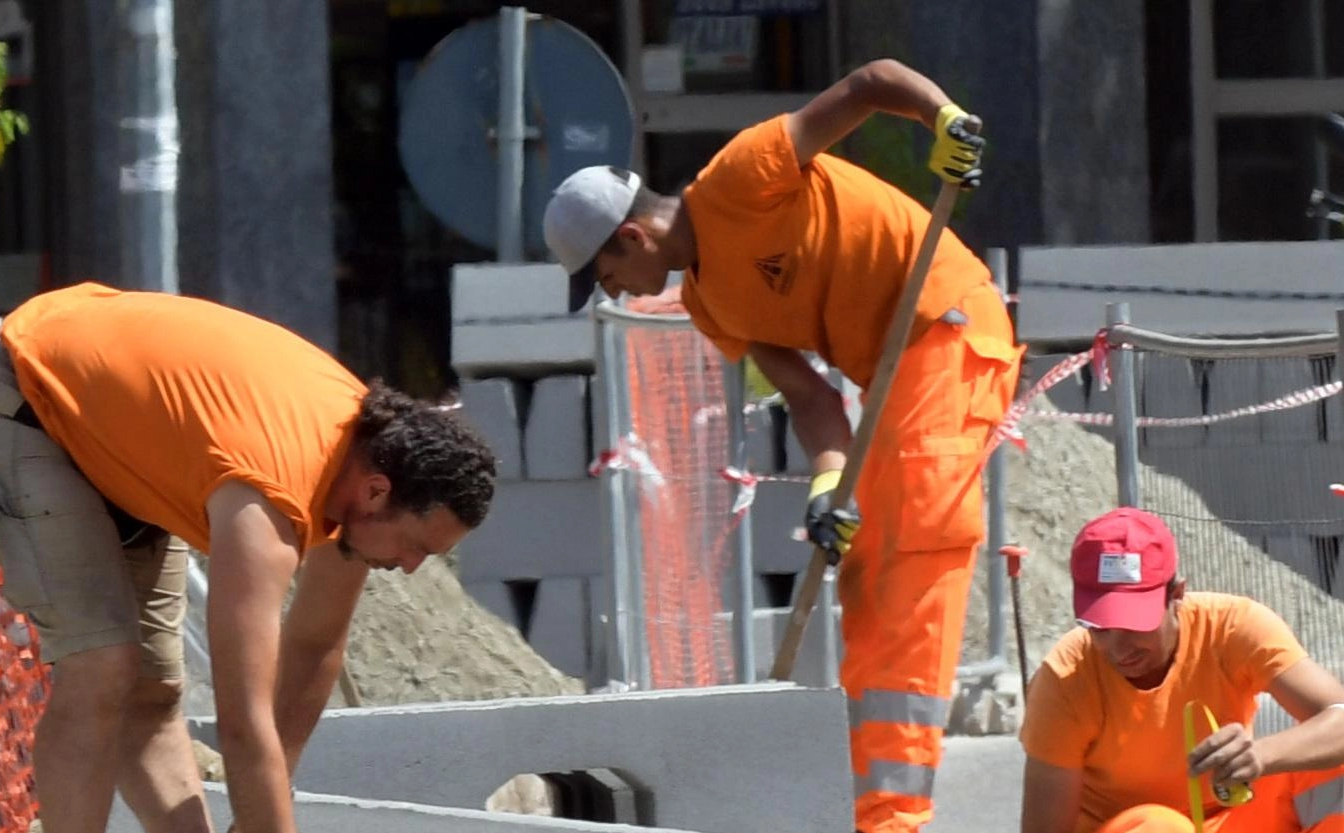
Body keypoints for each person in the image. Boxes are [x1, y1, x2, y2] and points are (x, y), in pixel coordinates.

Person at [541, 58, 1021, 832]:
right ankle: (878, 804)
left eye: (607, 275)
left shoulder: (737, 177)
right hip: (891, 374)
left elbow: (868, 84)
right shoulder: (707, 301)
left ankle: (892, 813)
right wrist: (827, 485)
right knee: (866, 571)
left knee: (911, 548)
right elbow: (809, 396)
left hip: (946, 324)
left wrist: (941, 119)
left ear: (631, 235)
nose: (619, 294)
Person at [0, 281, 497, 833]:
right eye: (417, 546)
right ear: (378, 492)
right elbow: (242, 719)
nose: (410, 567)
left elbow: (314, 644)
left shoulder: (365, 459)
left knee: (154, 693)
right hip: (27, 393)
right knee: (102, 664)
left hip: (119, 433)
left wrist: (262, 812)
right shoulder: (269, 506)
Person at [1020, 507, 1344, 833]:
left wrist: (1262, 754)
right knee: (1159, 826)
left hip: (1233, 817)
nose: (1118, 650)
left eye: (1135, 624)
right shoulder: (1065, 678)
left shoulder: (1234, 628)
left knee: (1336, 764)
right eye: (1100, 627)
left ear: (1176, 594)